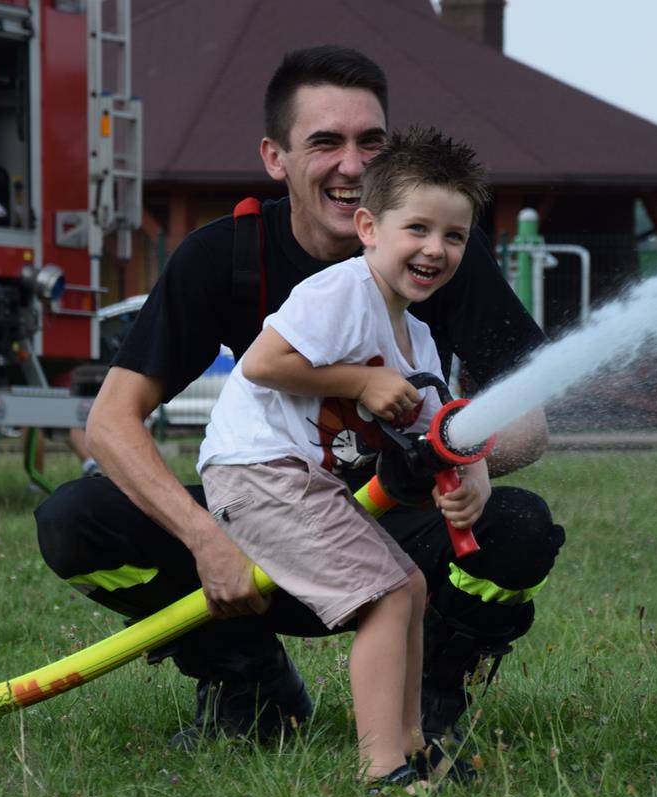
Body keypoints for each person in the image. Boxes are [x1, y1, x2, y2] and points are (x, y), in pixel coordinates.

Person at [34, 46, 563, 755]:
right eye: (325, 142)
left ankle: (432, 698)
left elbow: (527, 419)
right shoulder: (223, 257)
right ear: (275, 157)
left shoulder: (439, 254)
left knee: (519, 528)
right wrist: (205, 540)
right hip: (264, 513)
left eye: (370, 143)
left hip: (394, 517)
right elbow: (110, 422)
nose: (352, 165)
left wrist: (460, 454)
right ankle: (248, 680)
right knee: (77, 522)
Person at [198, 127, 485, 788]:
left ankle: (414, 747)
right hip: (258, 472)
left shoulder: (418, 339)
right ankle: (382, 768)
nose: (435, 249)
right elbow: (264, 363)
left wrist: (472, 486)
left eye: (455, 236)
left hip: (300, 481)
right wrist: (358, 382)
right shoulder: (341, 293)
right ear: (368, 227)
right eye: (417, 228)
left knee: (409, 587)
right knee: (386, 595)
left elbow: (444, 431)